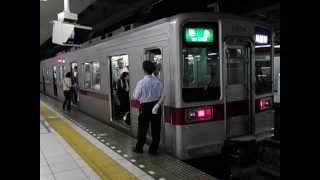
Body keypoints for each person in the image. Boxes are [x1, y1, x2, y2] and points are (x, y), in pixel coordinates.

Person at [132, 61, 164, 155]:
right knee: (156, 128)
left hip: (145, 107)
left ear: (144, 70)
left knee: (142, 128)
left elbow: (136, 96)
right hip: (156, 106)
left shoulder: (141, 82)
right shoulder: (158, 82)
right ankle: (153, 149)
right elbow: (162, 95)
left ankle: (139, 148)